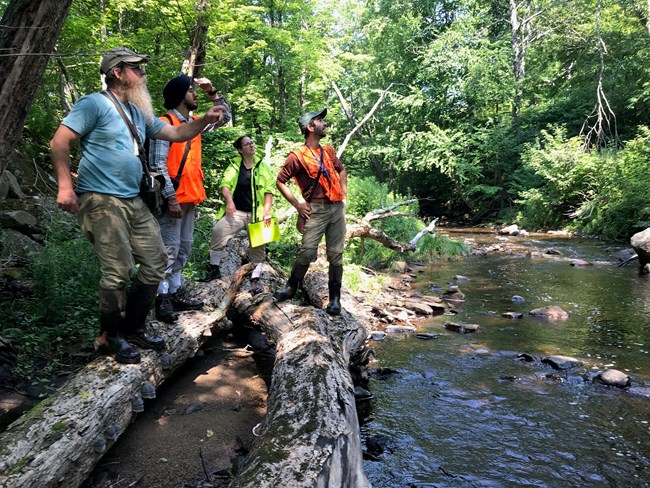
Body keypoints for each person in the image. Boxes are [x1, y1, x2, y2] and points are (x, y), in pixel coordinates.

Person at [50, 47, 226, 364]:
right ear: (117, 72)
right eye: (137, 68)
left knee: (157, 260)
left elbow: (175, 132)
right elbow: (59, 141)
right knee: (118, 270)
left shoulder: (138, 112)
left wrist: (204, 121)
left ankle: (132, 328)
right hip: (101, 197)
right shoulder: (94, 104)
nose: (143, 74)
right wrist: (65, 186)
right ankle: (109, 338)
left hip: (133, 199)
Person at [149, 74, 230, 323]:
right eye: (191, 90)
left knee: (184, 246)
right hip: (171, 199)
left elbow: (225, 119)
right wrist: (171, 199)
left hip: (190, 198)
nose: (195, 94)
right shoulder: (165, 123)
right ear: (179, 95)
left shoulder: (195, 122)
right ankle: (161, 298)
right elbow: (157, 164)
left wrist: (212, 91)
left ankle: (174, 291)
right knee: (168, 249)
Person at [273, 108, 347, 315]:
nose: (324, 123)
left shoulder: (329, 152)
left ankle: (335, 299)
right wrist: (297, 205)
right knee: (307, 251)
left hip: (336, 208)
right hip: (315, 209)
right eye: (320, 121)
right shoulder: (297, 156)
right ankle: (291, 287)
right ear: (310, 127)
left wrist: (344, 194)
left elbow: (341, 170)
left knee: (336, 254)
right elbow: (280, 181)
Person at [199, 135, 275, 291]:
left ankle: (255, 280)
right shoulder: (234, 166)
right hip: (237, 212)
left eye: (252, 143)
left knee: (259, 247)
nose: (252, 146)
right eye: (247, 144)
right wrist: (229, 201)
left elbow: (269, 190)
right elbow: (225, 185)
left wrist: (267, 212)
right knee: (218, 231)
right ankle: (214, 270)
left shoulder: (262, 166)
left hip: (258, 213)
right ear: (240, 150)